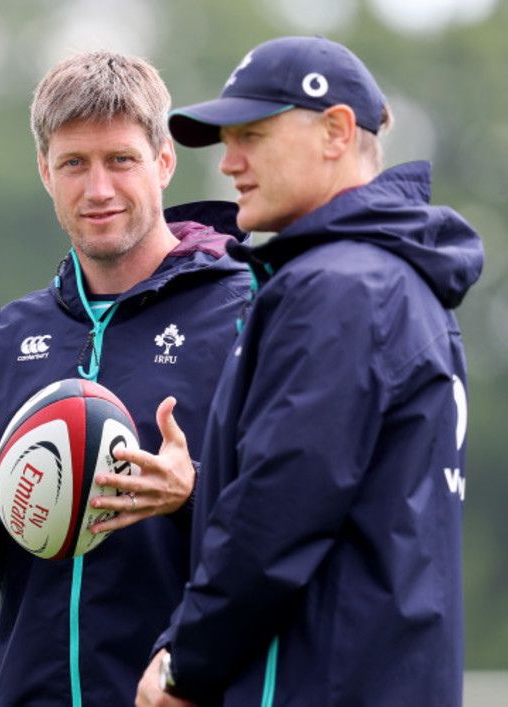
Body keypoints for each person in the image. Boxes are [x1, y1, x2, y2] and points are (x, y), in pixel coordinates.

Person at [0, 50, 251, 706]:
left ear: (164, 161)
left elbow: (291, 523)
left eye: (121, 160)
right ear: (45, 172)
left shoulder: (246, 310)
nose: (98, 189)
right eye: (74, 164)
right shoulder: (12, 333)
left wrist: (193, 493)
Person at [132, 36, 484, 706]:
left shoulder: (338, 287)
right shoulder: (398, 280)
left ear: (336, 131)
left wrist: (187, 659)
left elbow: (277, 511)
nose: (230, 163)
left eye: (253, 136)